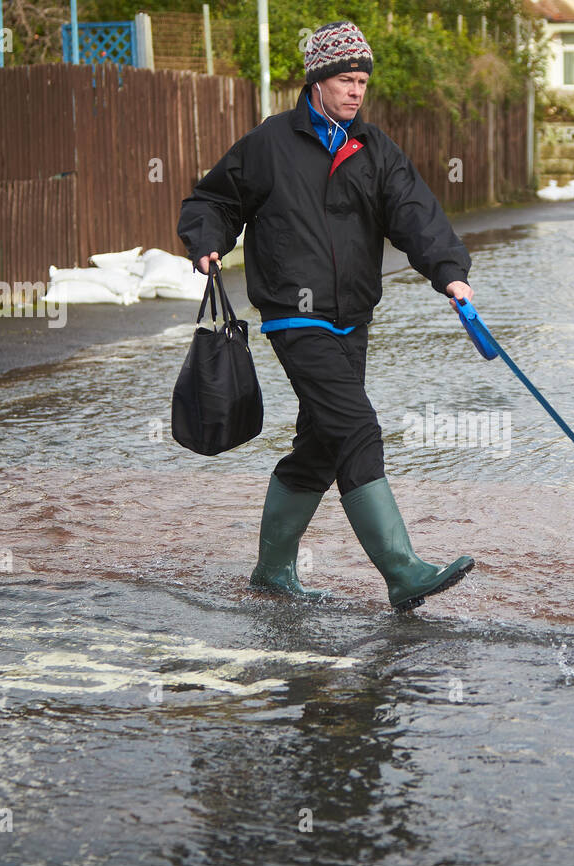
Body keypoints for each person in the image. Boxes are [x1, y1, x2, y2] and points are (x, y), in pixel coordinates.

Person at [177, 21, 476, 611]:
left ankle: (271, 572)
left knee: (320, 442)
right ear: (317, 81)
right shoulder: (270, 144)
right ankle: (401, 570)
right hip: (295, 315)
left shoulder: (374, 148)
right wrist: (207, 238)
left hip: (352, 317)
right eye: (344, 79)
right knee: (357, 426)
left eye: (362, 80)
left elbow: (415, 212)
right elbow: (213, 198)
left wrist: (450, 273)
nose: (356, 91)